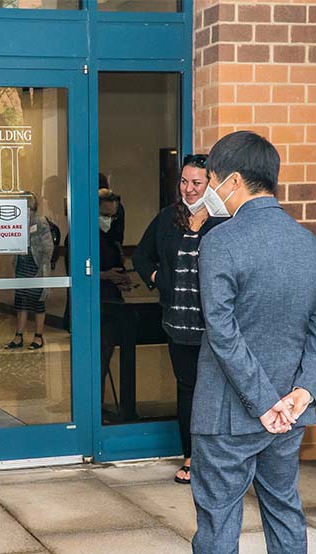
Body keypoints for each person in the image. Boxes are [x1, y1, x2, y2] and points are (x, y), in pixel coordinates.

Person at [150, 131, 316, 554]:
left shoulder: (221, 240)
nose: (207, 189)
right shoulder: (309, 243)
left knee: (218, 523)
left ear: (231, 181)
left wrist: (263, 402)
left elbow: (223, 331)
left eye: (209, 180)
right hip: (289, 414)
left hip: (231, 413)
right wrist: (299, 395)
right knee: (284, 509)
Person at [133, 153, 226, 484]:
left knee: (215, 394)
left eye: (196, 183)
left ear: (210, 184)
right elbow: (141, 256)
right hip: (180, 327)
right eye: (184, 181)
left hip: (216, 330)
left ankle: (216, 459)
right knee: (187, 392)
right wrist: (158, 278)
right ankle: (190, 458)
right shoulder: (167, 219)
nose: (189, 189)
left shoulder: (224, 221)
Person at [97, 188, 135, 415]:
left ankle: (103, 403)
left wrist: (120, 279)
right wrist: (106, 275)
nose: (109, 220)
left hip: (113, 303)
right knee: (97, 357)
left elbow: (116, 265)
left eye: (113, 216)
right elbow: (80, 272)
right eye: (105, 215)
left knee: (106, 354)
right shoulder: (83, 236)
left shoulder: (112, 239)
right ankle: (95, 405)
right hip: (95, 303)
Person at [5, 193, 53, 350]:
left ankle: (38, 337)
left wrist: (42, 265)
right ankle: (18, 336)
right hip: (22, 264)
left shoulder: (40, 221)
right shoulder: (17, 221)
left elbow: (48, 247)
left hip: (36, 265)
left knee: (38, 301)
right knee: (21, 302)